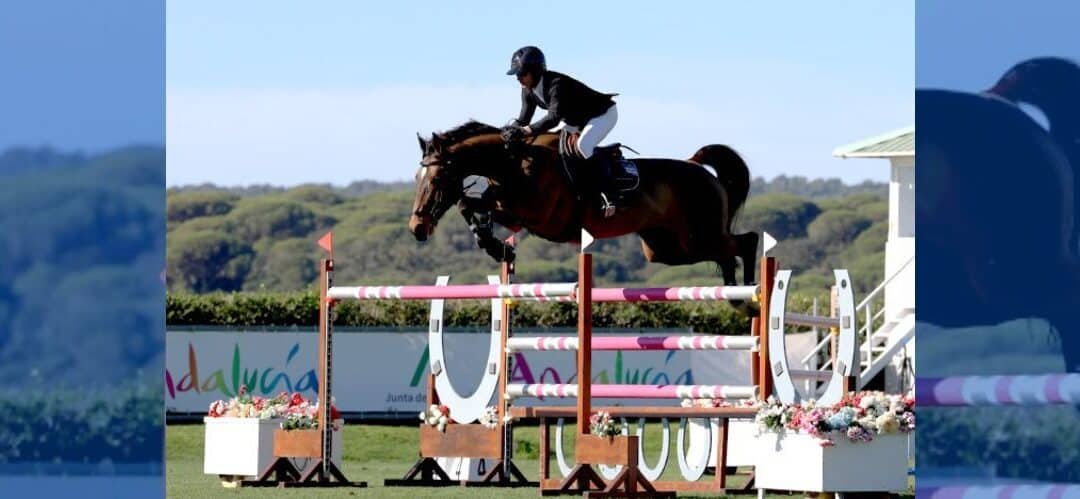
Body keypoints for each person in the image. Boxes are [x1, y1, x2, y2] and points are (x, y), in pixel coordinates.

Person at [501, 46, 622, 217]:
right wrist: (509, 130)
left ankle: (610, 193)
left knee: (583, 145)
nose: (518, 78)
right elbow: (524, 118)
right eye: (517, 75)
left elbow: (553, 118)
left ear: (535, 71)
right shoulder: (527, 90)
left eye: (522, 74)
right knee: (553, 144)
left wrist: (524, 131)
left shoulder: (556, 85)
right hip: (574, 121)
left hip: (602, 114)